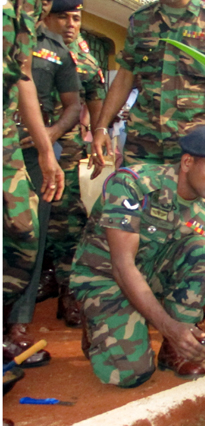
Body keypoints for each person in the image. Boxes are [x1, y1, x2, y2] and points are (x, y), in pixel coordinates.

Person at [70, 126, 205, 387]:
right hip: (106, 278)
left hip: (151, 272)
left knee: (204, 251)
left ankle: (175, 349)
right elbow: (122, 267)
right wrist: (168, 327)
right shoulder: (132, 185)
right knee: (131, 373)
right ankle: (95, 316)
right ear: (187, 162)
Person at [4, 0, 81, 369]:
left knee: (27, 236)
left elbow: (30, 86)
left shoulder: (50, 46)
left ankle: (16, 326)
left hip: (24, 154)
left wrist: (46, 145)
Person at [3, 0, 65, 426]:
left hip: (8, 144)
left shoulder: (25, 13)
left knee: (23, 242)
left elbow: (22, 77)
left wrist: (44, 151)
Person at [90, 0, 205, 166]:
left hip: (194, 145)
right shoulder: (141, 19)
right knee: (133, 190)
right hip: (143, 142)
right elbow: (125, 76)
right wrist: (102, 127)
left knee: (188, 193)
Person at [42, 0, 106, 328]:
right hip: (17, 147)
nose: (71, 24)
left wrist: (98, 134)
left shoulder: (82, 55)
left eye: (76, 17)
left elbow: (95, 93)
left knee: (66, 221)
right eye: (63, 17)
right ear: (46, 17)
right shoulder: (25, 43)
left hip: (62, 150)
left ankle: (69, 292)